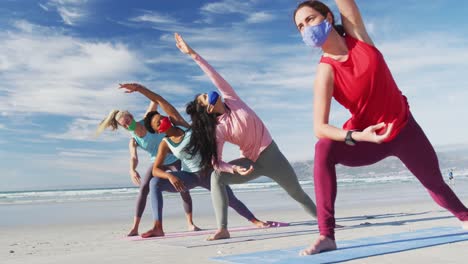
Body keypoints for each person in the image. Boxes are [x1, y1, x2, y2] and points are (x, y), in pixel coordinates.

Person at [293, 0, 468, 255]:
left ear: (328, 17)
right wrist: (356, 135)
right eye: (300, 26)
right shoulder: (325, 72)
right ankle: (326, 235)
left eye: (309, 20)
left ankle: (464, 217)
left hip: (405, 130)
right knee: (323, 149)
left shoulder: (358, 36)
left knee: (434, 183)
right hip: (368, 138)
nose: (305, 28)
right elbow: (319, 127)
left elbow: (347, 4)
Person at [173, 33, 317, 241]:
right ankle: (222, 229)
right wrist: (233, 168)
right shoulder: (218, 129)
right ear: (209, 109)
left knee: (296, 193)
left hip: (273, 156)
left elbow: (214, 75)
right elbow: (215, 161)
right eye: (205, 97)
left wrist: (193, 54)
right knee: (216, 177)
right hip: (251, 163)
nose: (208, 92)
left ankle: (327, 222)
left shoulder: (232, 98)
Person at [119, 84, 268, 238]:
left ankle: (255, 220)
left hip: (209, 172)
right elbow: (156, 169)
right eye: (159, 123)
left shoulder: (182, 125)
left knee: (231, 200)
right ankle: (158, 227)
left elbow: (159, 100)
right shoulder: (165, 143)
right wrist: (170, 176)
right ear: (158, 130)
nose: (163, 120)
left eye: (162, 117)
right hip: (189, 176)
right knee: (154, 183)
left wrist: (138, 88)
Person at [96, 83, 199, 236]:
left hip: (173, 158)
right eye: (125, 126)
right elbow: (133, 157)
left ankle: (190, 223)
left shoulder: (147, 119)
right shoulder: (134, 139)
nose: (128, 125)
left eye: (128, 121)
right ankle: (135, 227)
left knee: (182, 188)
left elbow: (156, 101)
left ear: (131, 117)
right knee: (144, 187)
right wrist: (132, 170)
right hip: (157, 161)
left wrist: (140, 89)